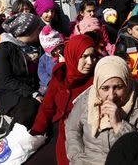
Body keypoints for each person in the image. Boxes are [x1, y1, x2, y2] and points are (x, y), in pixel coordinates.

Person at [65, 56, 138, 165]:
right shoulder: (89, 97)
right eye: (105, 88)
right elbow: (72, 129)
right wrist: (77, 158)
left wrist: (119, 125)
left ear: (127, 83)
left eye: (118, 87)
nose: (111, 96)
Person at [29, 35, 97, 165]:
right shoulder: (60, 74)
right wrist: (36, 131)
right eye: (84, 56)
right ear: (72, 55)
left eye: (93, 56)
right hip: (54, 128)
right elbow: (47, 107)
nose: (90, 62)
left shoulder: (95, 81)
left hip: (77, 136)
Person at [0, 13, 42, 129]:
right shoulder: (3, 50)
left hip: (32, 89)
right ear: (27, 31)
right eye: (37, 29)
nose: (40, 31)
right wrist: (32, 93)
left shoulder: (34, 46)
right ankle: (11, 141)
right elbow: (5, 80)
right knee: (32, 108)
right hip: (12, 95)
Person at [37, 25, 65, 95]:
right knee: (45, 93)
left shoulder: (64, 54)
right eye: (54, 50)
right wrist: (48, 81)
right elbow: (41, 72)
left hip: (62, 82)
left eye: (59, 47)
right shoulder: (44, 58)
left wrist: (63, 63)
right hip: (48, 84)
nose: (58, 51)